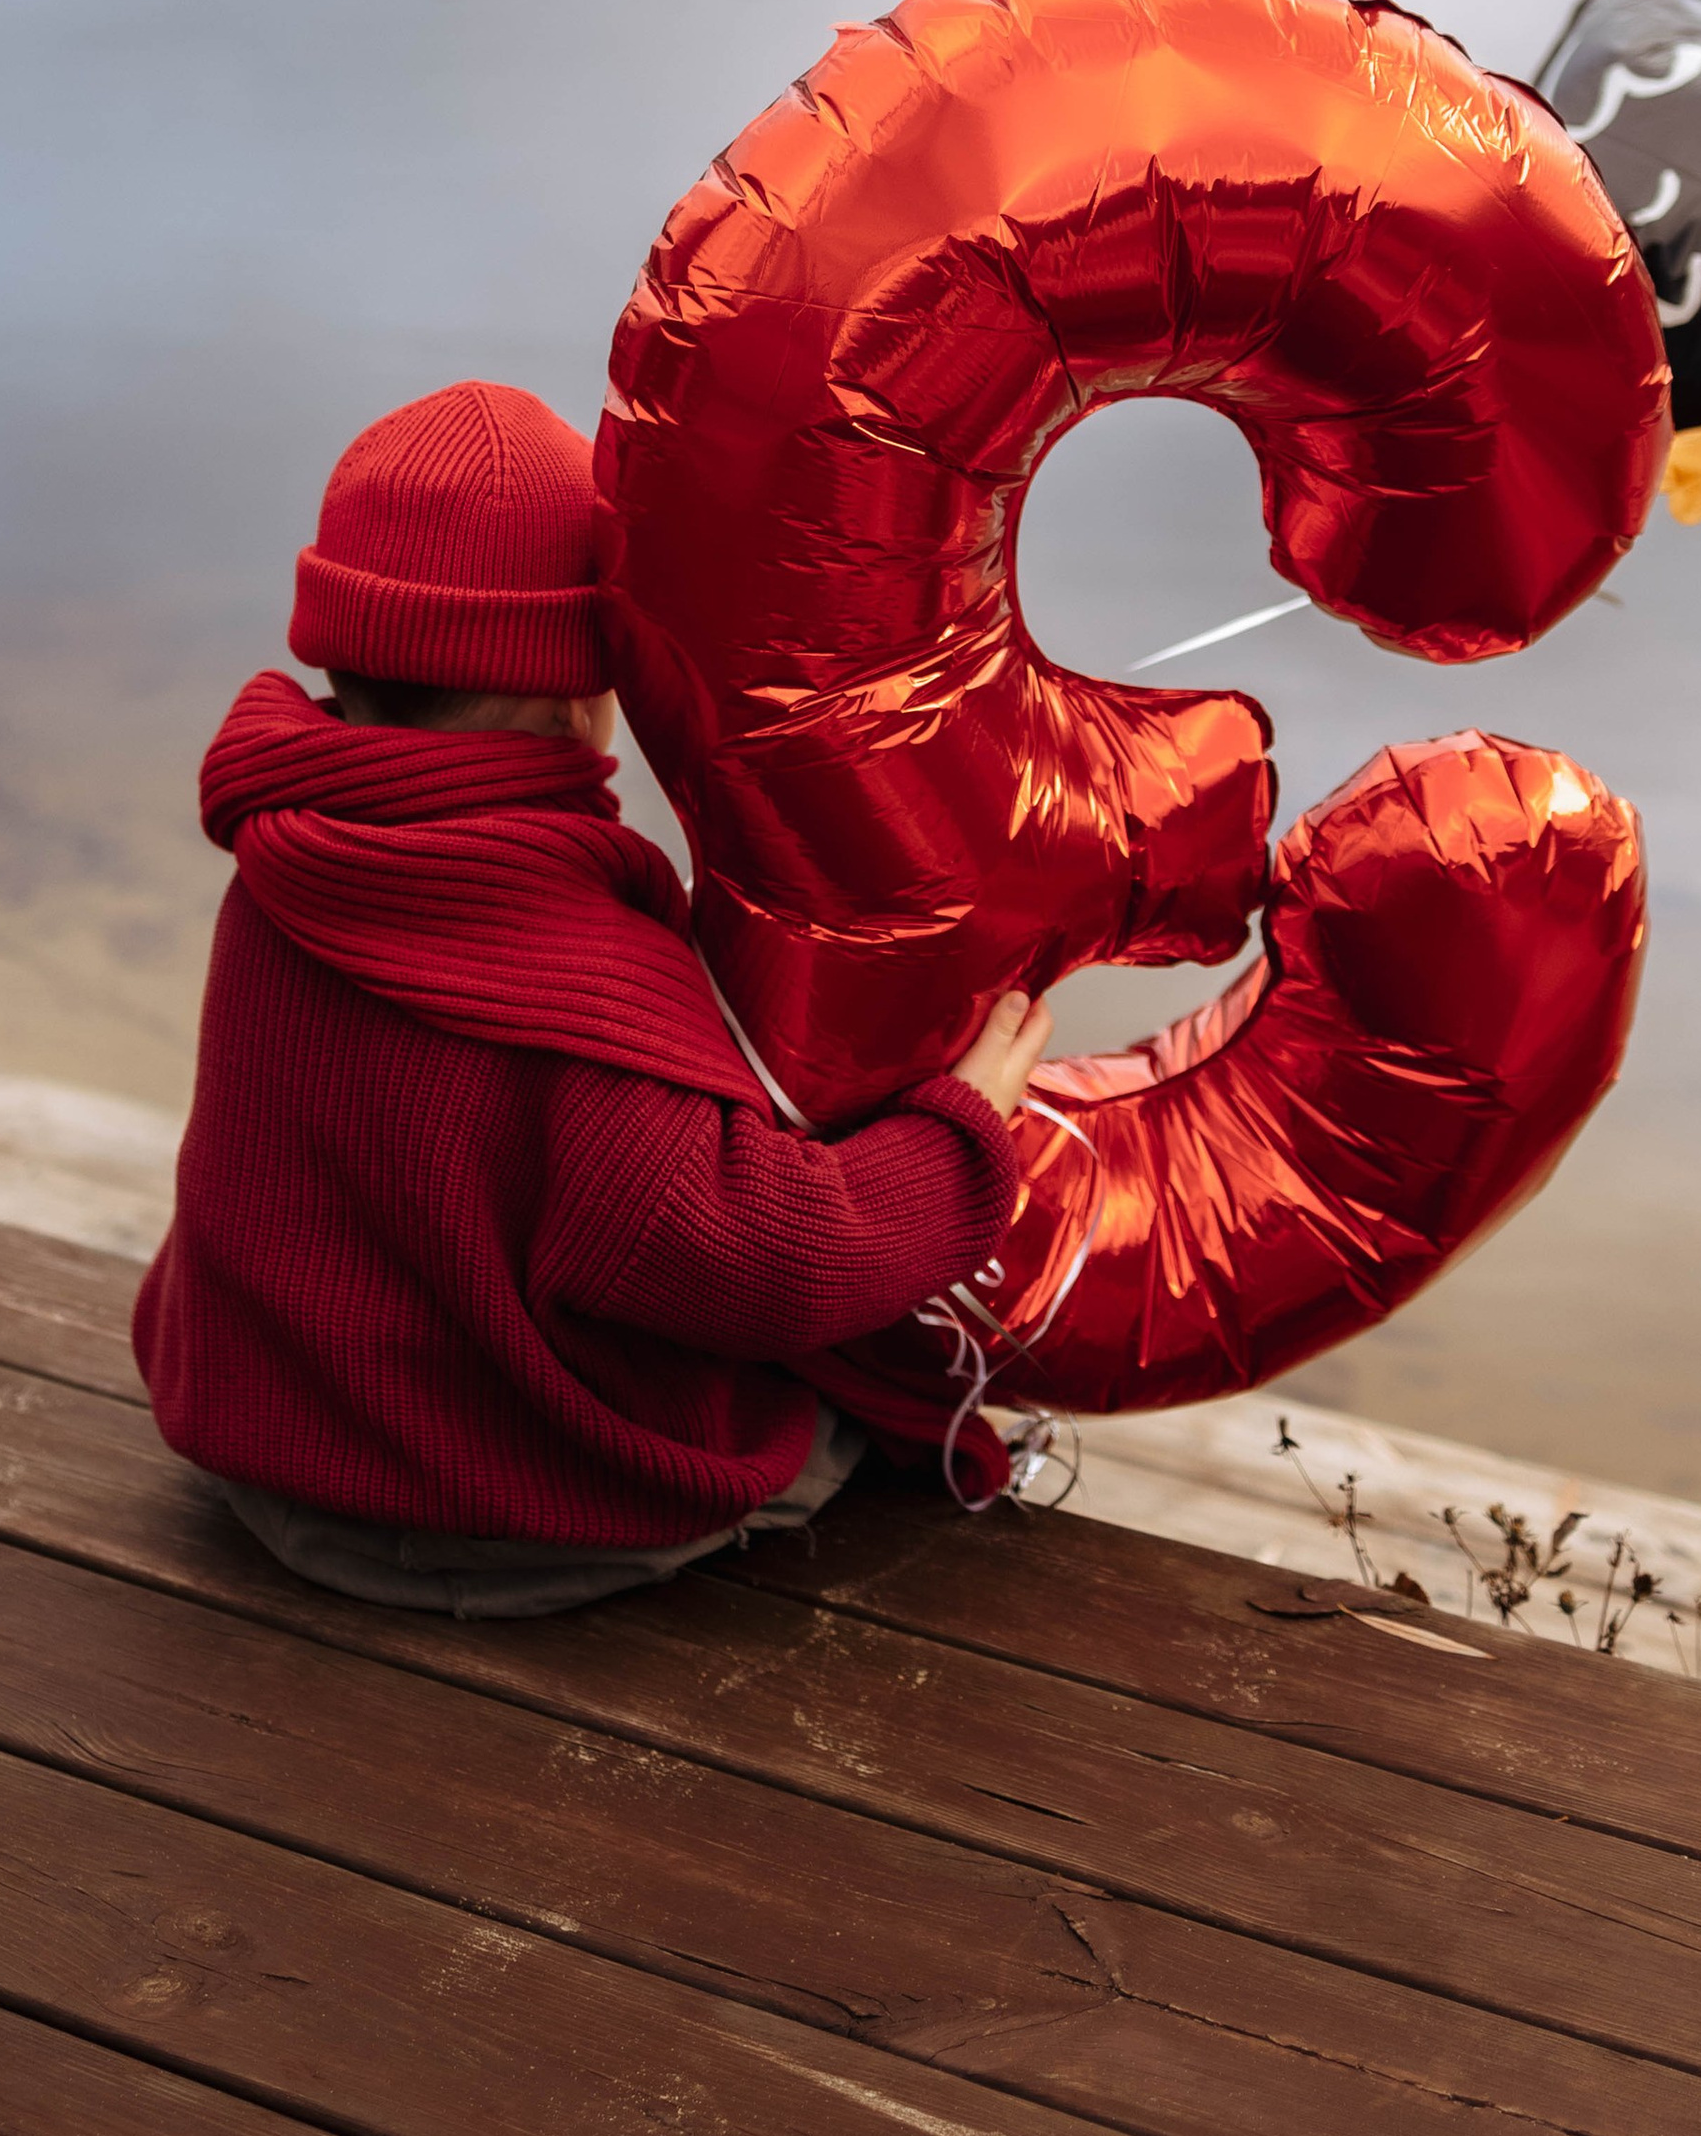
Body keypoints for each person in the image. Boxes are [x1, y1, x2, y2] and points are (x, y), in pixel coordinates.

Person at [134, 379, 1056, 1616]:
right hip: (516, 1522)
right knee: (845, 1404)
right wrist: (959, 1139)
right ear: (580, 685)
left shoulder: (287, 865)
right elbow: (760, 1261)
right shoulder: (570, 962)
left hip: (270, 1463)